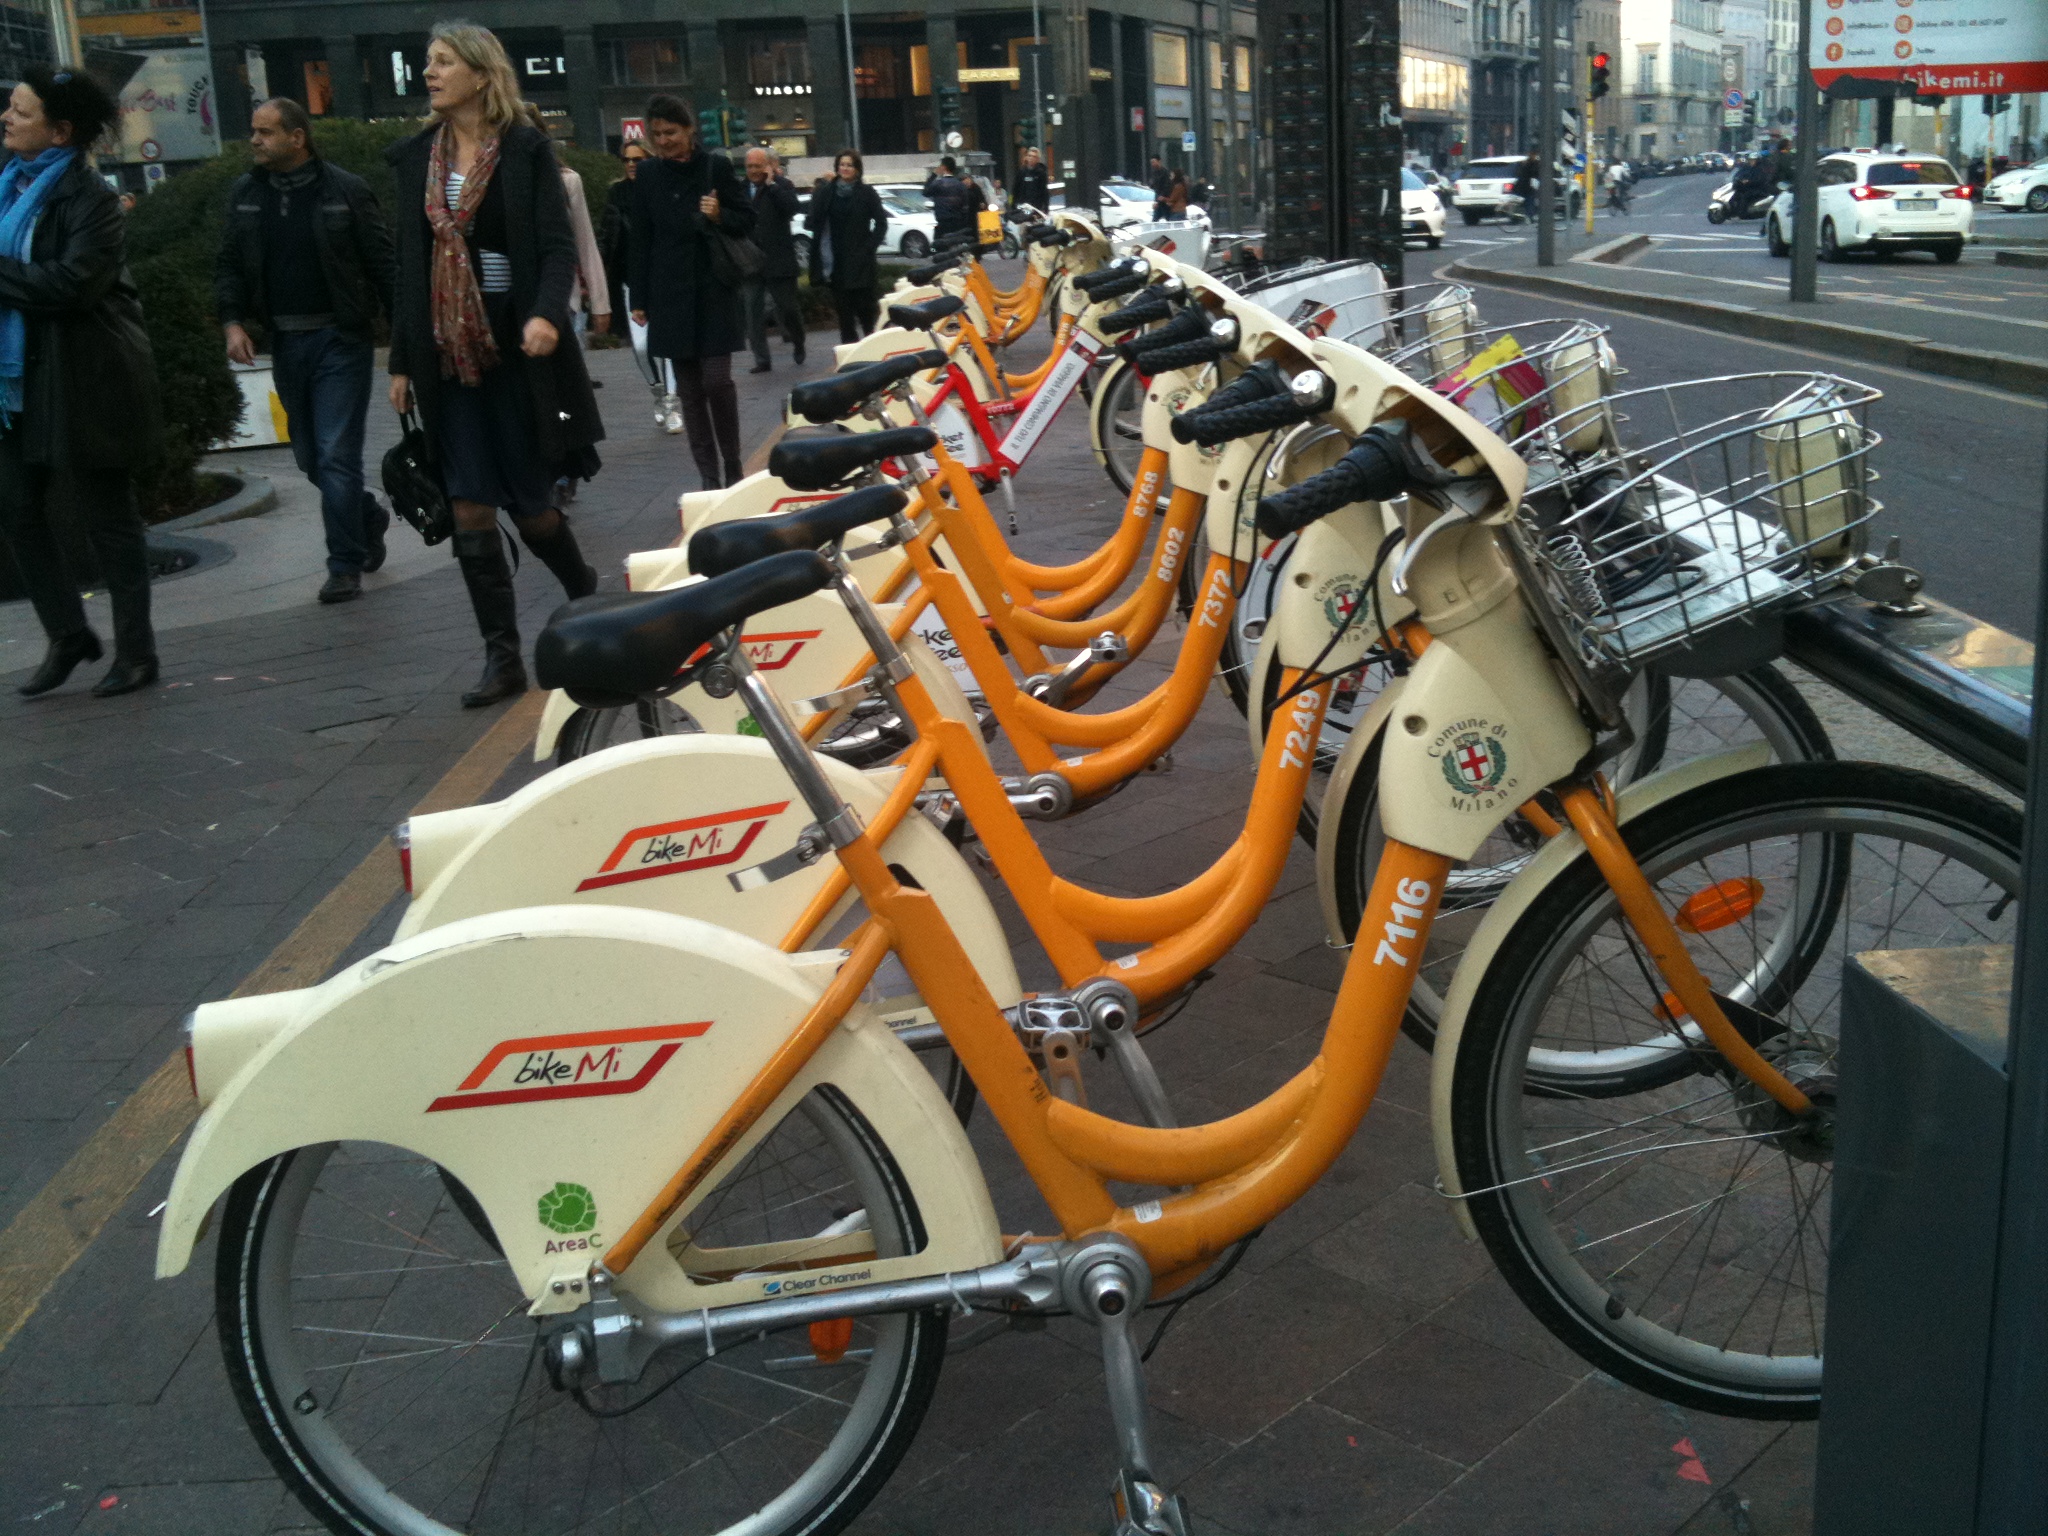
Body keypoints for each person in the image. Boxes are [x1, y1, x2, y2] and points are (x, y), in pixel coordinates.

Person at [387, 21, 604, 709]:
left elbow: (554, 246)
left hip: (514, 353)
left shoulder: (526, 150)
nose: (431, 72)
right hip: (445, 358)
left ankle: (587, 599)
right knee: (469, 506)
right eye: (428, 62)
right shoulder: (416, 156)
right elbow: (408, 267)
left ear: (481, 74)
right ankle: (502, 656)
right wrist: (399, 360)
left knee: (534, 509)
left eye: (444, 62)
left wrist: (545, 313)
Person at [0, 66, 162, 698]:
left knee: (108, 519)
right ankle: (69, 634)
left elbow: (72, 286)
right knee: (16, 508)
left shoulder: (91, 199)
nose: (7, 119)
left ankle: (138, 653)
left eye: (20, 111)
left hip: (84, 376)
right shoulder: (8, 187)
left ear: (60, 130)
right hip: (14, 382)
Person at [216, 96, 395, 606]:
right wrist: (232, 323)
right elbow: (228, 264)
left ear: (297, 138)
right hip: (285, 342)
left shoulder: (345, 191)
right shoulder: (246, 195)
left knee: (337, 456)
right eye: (254, 131)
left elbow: (384, 268)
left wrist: (404, 346)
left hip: (341, 340)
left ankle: (344, 565)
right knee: (312, 459)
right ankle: (365, 514)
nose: (254, 140)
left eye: (266, 132)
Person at [628, 93, 753, 490]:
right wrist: (639, 299)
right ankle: (708, 478)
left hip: (713, 288)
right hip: (670, 293)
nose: (663, 141)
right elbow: (641, 238)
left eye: (671, 132)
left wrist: (720, 215)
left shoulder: (715, 167)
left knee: (717, 381)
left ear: (689, 130)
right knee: (690, 391)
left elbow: (746, 220)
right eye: (657, 134)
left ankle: (733, 464)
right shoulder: (647, 175)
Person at [807, 149, 888, 343]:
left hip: (861, 262)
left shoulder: (867, 193)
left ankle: (873, 355)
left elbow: (881, 223)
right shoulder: (827, 192)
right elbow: (813, 222)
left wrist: (869, 248)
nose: (845, 168)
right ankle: (851, 360)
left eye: (849, 165)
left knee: (867, 316)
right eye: (842, 164)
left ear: (857, 169)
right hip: (837, 263)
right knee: (845, 318)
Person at [741, 145, 804, 374]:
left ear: (768, 166)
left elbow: (792, 209)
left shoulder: (781, 186)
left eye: (758, 166)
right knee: (752, 312)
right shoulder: (739, 189)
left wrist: (772, 185)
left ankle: (798, 341)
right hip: (750, 262)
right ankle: (762, 359)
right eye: (749, 166)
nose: (753, 170)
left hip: (778, 260)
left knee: (788, 308)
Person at [923, 154, 970, 243]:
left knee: (938, 248)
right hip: (958, 223)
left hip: (943, 222)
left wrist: (934, 175)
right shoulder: (960, 185)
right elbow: (965, 205)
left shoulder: (938, 184)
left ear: (943, 167)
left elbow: (925, 192)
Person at [1010, 145, 1049, 215]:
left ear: (1038, 159)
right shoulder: (1021, 172)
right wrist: (1013, 205)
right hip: (1022, 206)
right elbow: (1015, 190)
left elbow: (1045, 192)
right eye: (1029, 156)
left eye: (1034, 157)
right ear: (1026, 157)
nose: (1031, 158)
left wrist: (1045, 208)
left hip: (1036, 207)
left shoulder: (1041, 173)